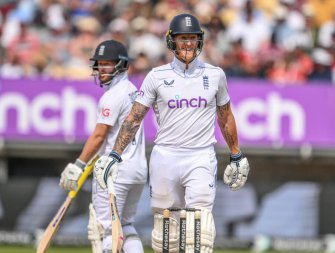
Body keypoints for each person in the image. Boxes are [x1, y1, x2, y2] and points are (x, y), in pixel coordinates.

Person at [94, 13, 251, 252]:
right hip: (165, 157)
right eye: (182, 38)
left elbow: (225, 115)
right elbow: (134, 117)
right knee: (166, 232)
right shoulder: (157, 77)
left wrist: (236, 154)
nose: (187, 43)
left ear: (199, 41)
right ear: (171, 41)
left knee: (200, 228)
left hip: (200, 156)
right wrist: (115, 155)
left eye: (192, 38)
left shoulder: (215, 74)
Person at [59, 39, 147, 253]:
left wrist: (78, 165)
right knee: (126, 225)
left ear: (122, 64)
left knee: (106, 231)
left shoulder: (112, 96)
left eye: (108, 63)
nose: (102, 69)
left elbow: (99, 136)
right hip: (137, 170)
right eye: (99, 63)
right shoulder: (132, 90)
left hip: (114, 172)